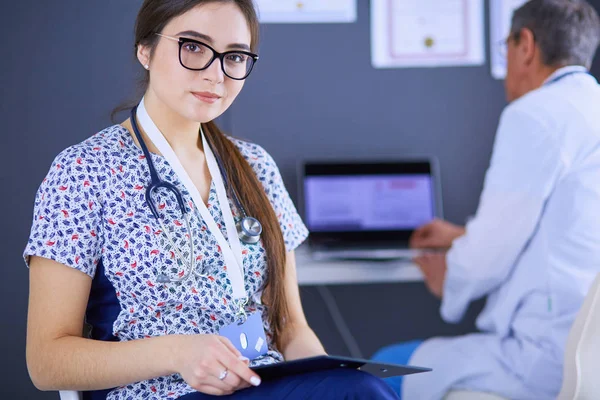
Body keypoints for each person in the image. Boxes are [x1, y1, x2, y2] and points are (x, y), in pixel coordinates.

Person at [23, 1, 399, 399]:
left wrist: (326, 375)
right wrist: (176, 352)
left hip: (261, 383)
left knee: (359, 388)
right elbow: (47, 362)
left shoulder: (255, 166)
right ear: (145, 50)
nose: (215, 74)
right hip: (160, 394)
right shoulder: (84, 171)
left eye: (234, 56)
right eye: (194, 47)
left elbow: (290, 329)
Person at [373, 0, 600, 399]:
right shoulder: (590, 108)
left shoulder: (534, 113)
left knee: (381, 367)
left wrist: (453, 279)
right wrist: (463, 235)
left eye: (507, 48)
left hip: (541, 355)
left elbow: (492, 249)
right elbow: (562, 228)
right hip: (588, 350)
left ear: (525, 44)